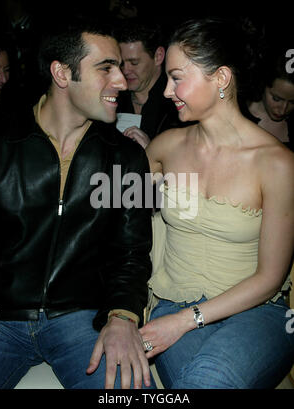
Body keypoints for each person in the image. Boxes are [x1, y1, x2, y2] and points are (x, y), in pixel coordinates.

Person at [0, 16, 155, 389]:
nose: (121, 80)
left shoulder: (126, 158)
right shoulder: (1, 143)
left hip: (82, 317)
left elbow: (133, 253)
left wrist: (122, 316)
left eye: (121, 67)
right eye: (106, 68)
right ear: (62, 74)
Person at [139, 17, 294, 389]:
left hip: (258, 312)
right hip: (174, 300)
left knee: (209, 377)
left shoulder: (277, 164)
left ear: (221, 79)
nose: (166, 91)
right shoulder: (164, 149)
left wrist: (183, 321)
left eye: (177, 77)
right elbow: (119, 224)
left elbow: (271, 277)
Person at [115, 18, 183, 148]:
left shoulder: (178, 106)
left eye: (134, 62)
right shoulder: (113, 101)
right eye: (121, 63)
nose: (125, 70)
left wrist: (152, 153)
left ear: (158, 56)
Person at [244, 49, 294, 151]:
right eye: (276, 99)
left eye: (293, 102)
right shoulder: (237, 112)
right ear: (263, 85)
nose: (283, 110)